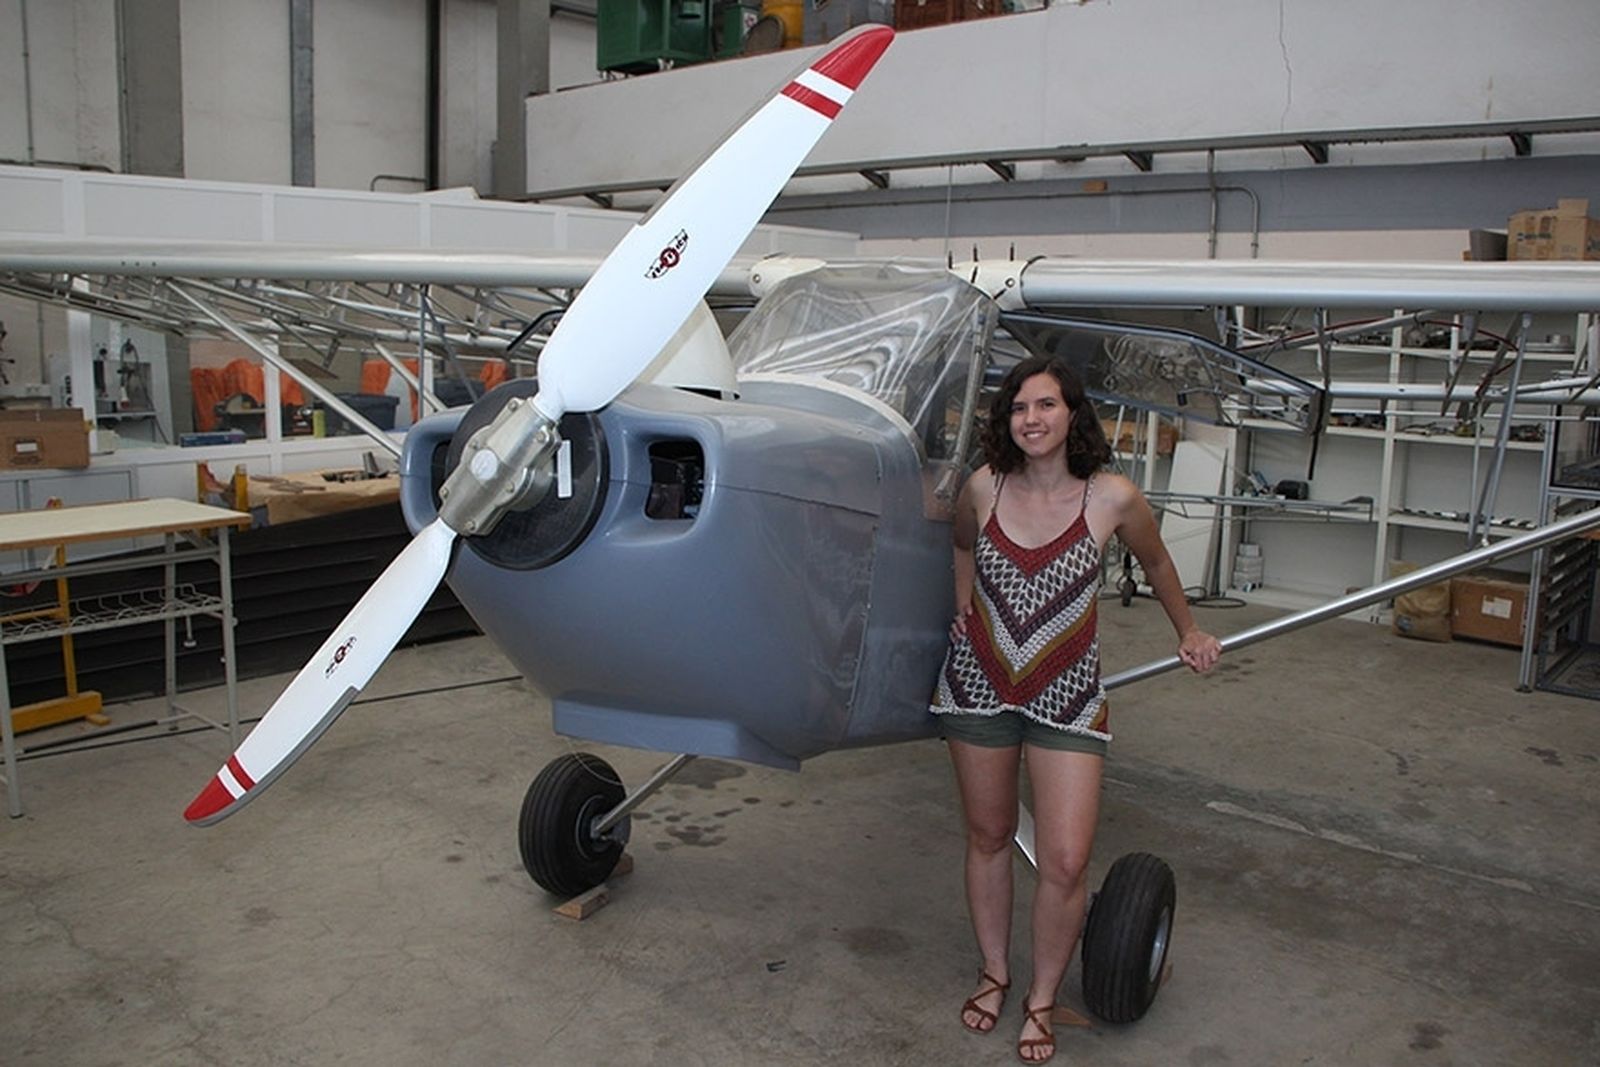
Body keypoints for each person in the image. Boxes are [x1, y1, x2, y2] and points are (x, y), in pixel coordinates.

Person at [929, 354, 1221, 1064]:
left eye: (1046, 405)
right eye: (1019, 407)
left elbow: (1154, 562)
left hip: (1068, 697)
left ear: (1071, 414)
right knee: (990, 834)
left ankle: (1042, 996)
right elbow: (961, 541)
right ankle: (995, 972)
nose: (1031, 418)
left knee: (1065, 857)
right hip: (978, 687)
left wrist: (1188, 629)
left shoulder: (1111, 498)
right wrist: (964, 602)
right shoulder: (982, 486)